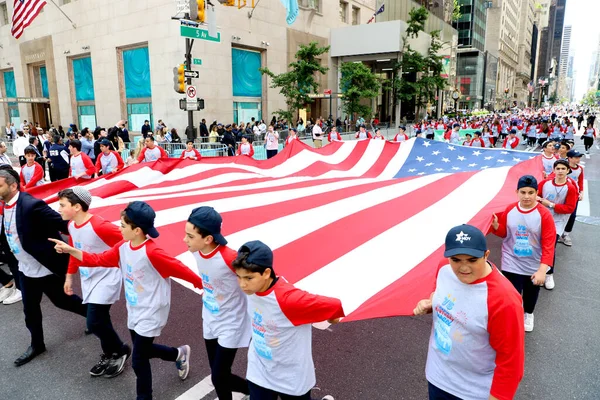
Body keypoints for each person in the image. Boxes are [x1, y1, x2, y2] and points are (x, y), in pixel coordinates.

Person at [50, 201, 203, 400]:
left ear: (137, 230)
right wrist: (70, 250)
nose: (119, 229)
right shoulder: (122, 247)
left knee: (139, 360)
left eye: (122, 225)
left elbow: (181, 269)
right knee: (144, 350)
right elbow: (98, 259)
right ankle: (178, 354)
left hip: (152, 311)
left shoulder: (152, 253)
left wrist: (204, 287)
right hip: (135, 308)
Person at [413, 224, 524, 400]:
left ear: (486, 255)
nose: (463, 268)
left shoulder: (504, 299)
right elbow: (441, 295)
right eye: (456, 260)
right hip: (437, 376)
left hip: (472, 391)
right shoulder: (444, 268)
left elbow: (511, 362)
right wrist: (431, 304)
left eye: (472, 260)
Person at [232, 240, 344, 400]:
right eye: (239, 277)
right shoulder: (251, 288)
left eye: (248, 278)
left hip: (291, 378)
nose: (242, 284)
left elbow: (334, 305)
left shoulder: (289, 300)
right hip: (260, 370)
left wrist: (333, 318)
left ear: (266, 273)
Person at [0, 169, 88, 366]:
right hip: (25, 269)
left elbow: (64, 224)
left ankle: (94, 317)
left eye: (0, 185)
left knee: (63, 302)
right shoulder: (4, 206)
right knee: (30, 310)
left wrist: (82, 241)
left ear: (13, 185)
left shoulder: (31, 205)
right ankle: (37, 344)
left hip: (44, 267)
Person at [57, 187, 131, 377]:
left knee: (94, 321)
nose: (59, 209)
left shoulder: (100, 225)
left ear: (77, 207)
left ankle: (121, 350)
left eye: (62, 205)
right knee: (101, 320)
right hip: (89, 278)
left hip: (107, 277)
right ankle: (110, 354)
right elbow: (74, 251)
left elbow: (129, 238)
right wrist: (69, 276)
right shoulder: (72, 226)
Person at [183, 207, 251, 399]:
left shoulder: (230, 258)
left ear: (208, 239)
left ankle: (260, 393)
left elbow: (259, 278)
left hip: (231, 323)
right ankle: (256, 392)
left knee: (219, 376)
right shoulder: (196, 250)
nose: (184, 240)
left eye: (189, 236)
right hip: (210, 318)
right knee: (218, 374)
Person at [491, 175, 556, 332]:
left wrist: (542, 270)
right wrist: (495, 227)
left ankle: (528, 313)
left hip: (533, 262)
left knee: (530, 292)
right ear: (517, 192)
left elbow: (549, 244)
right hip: (511, 259)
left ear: (536, 193)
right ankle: (512, 314)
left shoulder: (544, 214)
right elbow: (505, 233)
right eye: (523, 192)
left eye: (531, 192)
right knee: (511, 292)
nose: (527, 196)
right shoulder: (510, 209)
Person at [537, 159, 578, 290]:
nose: (560, 171)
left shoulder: (570, 188)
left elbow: (570, 208)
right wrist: (537, 200)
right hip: (541, 219)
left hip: (557, 221)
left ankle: (549, 273)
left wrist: (551, 205)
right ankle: (538, 269)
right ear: (554, 170)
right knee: (538, 245)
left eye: (563, 169)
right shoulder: (544, 183)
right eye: (558, 168)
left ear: (567, 171)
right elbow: (537, 196)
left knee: (550, 246)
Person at [560, 149, 585, 247]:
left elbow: (580, 181)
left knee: (572, 215)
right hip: (562, 193)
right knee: (559, 213)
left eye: (579, 157)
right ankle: (556, 231)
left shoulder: (580, 169)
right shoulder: (562, 167)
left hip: (574, 195)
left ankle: (565, 234)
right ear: (569, 158)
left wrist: (581, 192)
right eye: (576, 157)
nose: (578, 159)